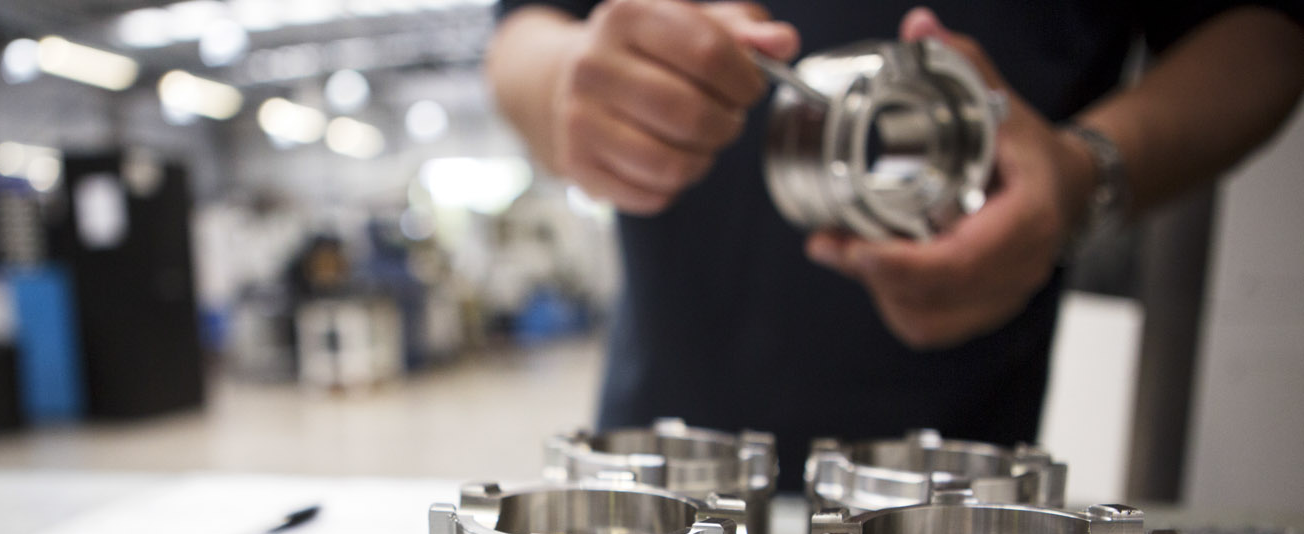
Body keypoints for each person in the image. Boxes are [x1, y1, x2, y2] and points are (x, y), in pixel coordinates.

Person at [486, 0, 1304, 488]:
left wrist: (1080, 174)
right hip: (661, 443)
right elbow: (520, 30)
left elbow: (1264, 35)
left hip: (961, 471)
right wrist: (567, 81)